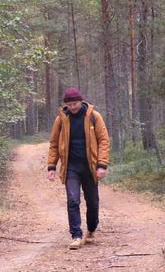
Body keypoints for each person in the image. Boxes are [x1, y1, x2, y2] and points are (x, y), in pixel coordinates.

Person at [47, 87, 110, 250]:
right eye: (69, 104)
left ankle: (91, 229)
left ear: (81, 101)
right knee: (73, 200)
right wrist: (52, 166)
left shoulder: (94, 117)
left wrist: (102, 165)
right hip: (71, 168)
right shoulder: (61, 119)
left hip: (90, 166)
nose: (72, 107)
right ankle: (76, 235)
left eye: (75, 103)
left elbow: (103, 141)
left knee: (93, 203)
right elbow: (53, 144)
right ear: (65, 105)